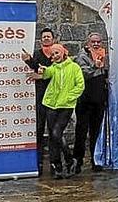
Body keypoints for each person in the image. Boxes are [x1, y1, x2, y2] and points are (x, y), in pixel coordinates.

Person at [39, 43, 85, 179]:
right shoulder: (54, 67)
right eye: (52, 54)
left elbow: (80, 85)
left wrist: (68, 97)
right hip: (51, 105)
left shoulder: (74, 67)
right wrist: (43, 71)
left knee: (56, 133)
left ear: (63, 53)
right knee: (54, 137)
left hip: (66, 106)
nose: (55, 56)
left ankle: (69, 159)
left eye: (57, 53)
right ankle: (57, 165)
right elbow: (47, 73)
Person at [21, 27, 57, 175]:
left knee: (54, 132)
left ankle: (55, 163)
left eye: (49, 36)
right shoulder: (37, 54)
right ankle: (39, 163)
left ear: (54, 39)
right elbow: (36, 68)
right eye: (44, 37)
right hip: (41, 97)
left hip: (55, 97)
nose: (46, 39)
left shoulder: (58, 54)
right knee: (39, 130)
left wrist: (41, 76)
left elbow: (57, 72)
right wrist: (29, 60)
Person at [73, 32, 108, 174]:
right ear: (88, 43)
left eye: (98, 42)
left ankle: (95, 160)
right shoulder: (82, 56)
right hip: (84, 100)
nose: (95, 44)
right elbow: (83, 73)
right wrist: (95, 66)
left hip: (98, 100)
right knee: (81, 132)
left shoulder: (105, 56)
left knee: (96, 132)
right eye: (93, 41)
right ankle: (77, 161)